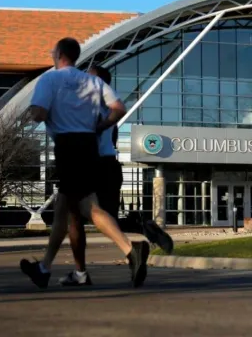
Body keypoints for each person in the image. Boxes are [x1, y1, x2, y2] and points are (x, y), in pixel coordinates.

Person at [20, 37, 150, 289]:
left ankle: (130, 249)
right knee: (63, 208)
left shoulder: (50, 79)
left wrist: (36, 113)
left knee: (88, 206)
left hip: (68, 146)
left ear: (58, 54)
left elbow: (38, 114)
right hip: (89, 145)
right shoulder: (93, 80)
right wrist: (99, 125)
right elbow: (119, 108)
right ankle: (44, 268)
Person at [59, 64, 173, 286]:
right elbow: (110, 139)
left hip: (90, 164)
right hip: (110, 165)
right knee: (105, 218)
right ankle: (141, 226)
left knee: (76, 215)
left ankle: (125, 254)